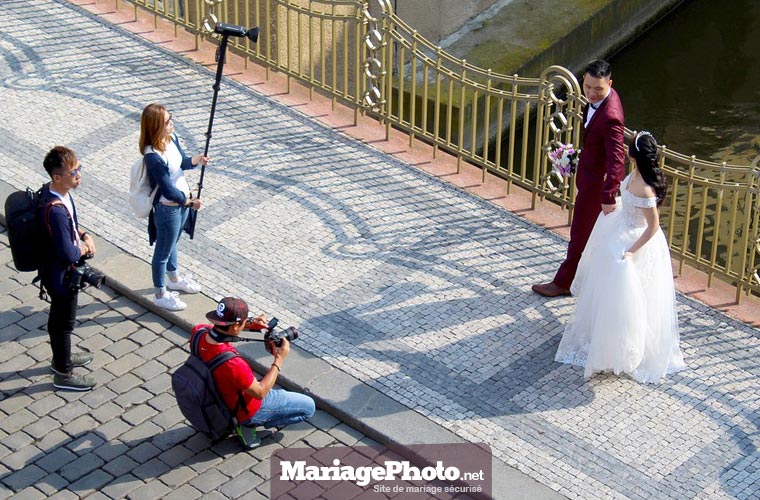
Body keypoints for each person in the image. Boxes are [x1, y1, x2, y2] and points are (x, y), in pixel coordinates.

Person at [554, 131, 686, 383]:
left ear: (633, 156)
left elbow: (652, 227)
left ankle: (625, 348)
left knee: (633, 296)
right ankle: (603, 335)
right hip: (619, 228)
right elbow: (628, 201)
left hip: (636, 242)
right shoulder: (635, 175)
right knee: (608, 290)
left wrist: (631, 251)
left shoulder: (646, 189)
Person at [533, 59, 627, 297]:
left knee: (579, 236)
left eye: (598, 89)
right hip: (589, 176)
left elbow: (617, 159)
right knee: (587, 236)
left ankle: (563, 283)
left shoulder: (611, 117)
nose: (592, 93)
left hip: (596, 187)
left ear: (610, 84)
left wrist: (608, 194)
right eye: (587, 87)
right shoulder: (600, 102)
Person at [192, 297, 315, 448]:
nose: (246, 323)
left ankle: (242, 422)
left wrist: (250, 324)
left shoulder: (198, 333)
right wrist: (279, 359)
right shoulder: (233, 363)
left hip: (216, 398)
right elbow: (260, 392)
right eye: (244, 321)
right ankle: (249, 424)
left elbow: (219, 328)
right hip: (245, 409)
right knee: (309, 407)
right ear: (236, 325)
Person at [140, 103, 209, 311]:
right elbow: (168, 189)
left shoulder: (172, 139)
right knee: (163, 251)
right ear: (155, 127)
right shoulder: (152, 155)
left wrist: (196, 160)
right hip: (168, 208)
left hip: (181, 203)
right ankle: (160, 293)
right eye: (167, 122)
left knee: (173, 243)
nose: (172, 124)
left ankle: (174, 277)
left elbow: (182, 163)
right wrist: (190, 202)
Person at [39, 146, 97, 391]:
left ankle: (61, 357)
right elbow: (68, 253)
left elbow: (72, 225)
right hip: (61, 276)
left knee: (59, 319)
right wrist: (85, 247)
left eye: (79, 168)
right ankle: (63, 372)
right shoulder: (56, 212)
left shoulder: (57, 195)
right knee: (64, 323)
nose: (79, 175)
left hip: (55, 270)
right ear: (57, 177)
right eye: (74, 172)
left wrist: (83, 233)